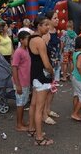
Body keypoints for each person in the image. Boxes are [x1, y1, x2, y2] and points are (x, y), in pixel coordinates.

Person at [27, 16, 54, 146]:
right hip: (42, 77)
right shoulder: (39, 41)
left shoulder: (31, 38)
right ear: (38, 26)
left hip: (35, 76)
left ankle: (32, 129)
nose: (48, 27)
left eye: (48, 25)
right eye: (45, 25)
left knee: (33, 104)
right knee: (40, 108)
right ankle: (39, 138)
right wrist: (52, 72)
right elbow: (46, 63)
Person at [42, 10, 61, 125]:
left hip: (56, 65)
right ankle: (43, 114)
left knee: (53, 90)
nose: (57, 20)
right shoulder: (46, 34)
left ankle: (48, 109)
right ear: (48, 20)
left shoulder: (56, 32)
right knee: (46, 90)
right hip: (49, 67)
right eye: (55, 18)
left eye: (57, 18)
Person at [12, 31, 31, 131]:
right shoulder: (18, 52)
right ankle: (19, 125)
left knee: (23, 103)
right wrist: (18, 84)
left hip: (26, 82)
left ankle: (21, 121)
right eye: (27, 39)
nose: (29, 40)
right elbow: (14, 68)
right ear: (21, 40)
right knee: (20, 104)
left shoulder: (27, 50)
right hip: (20, 82)